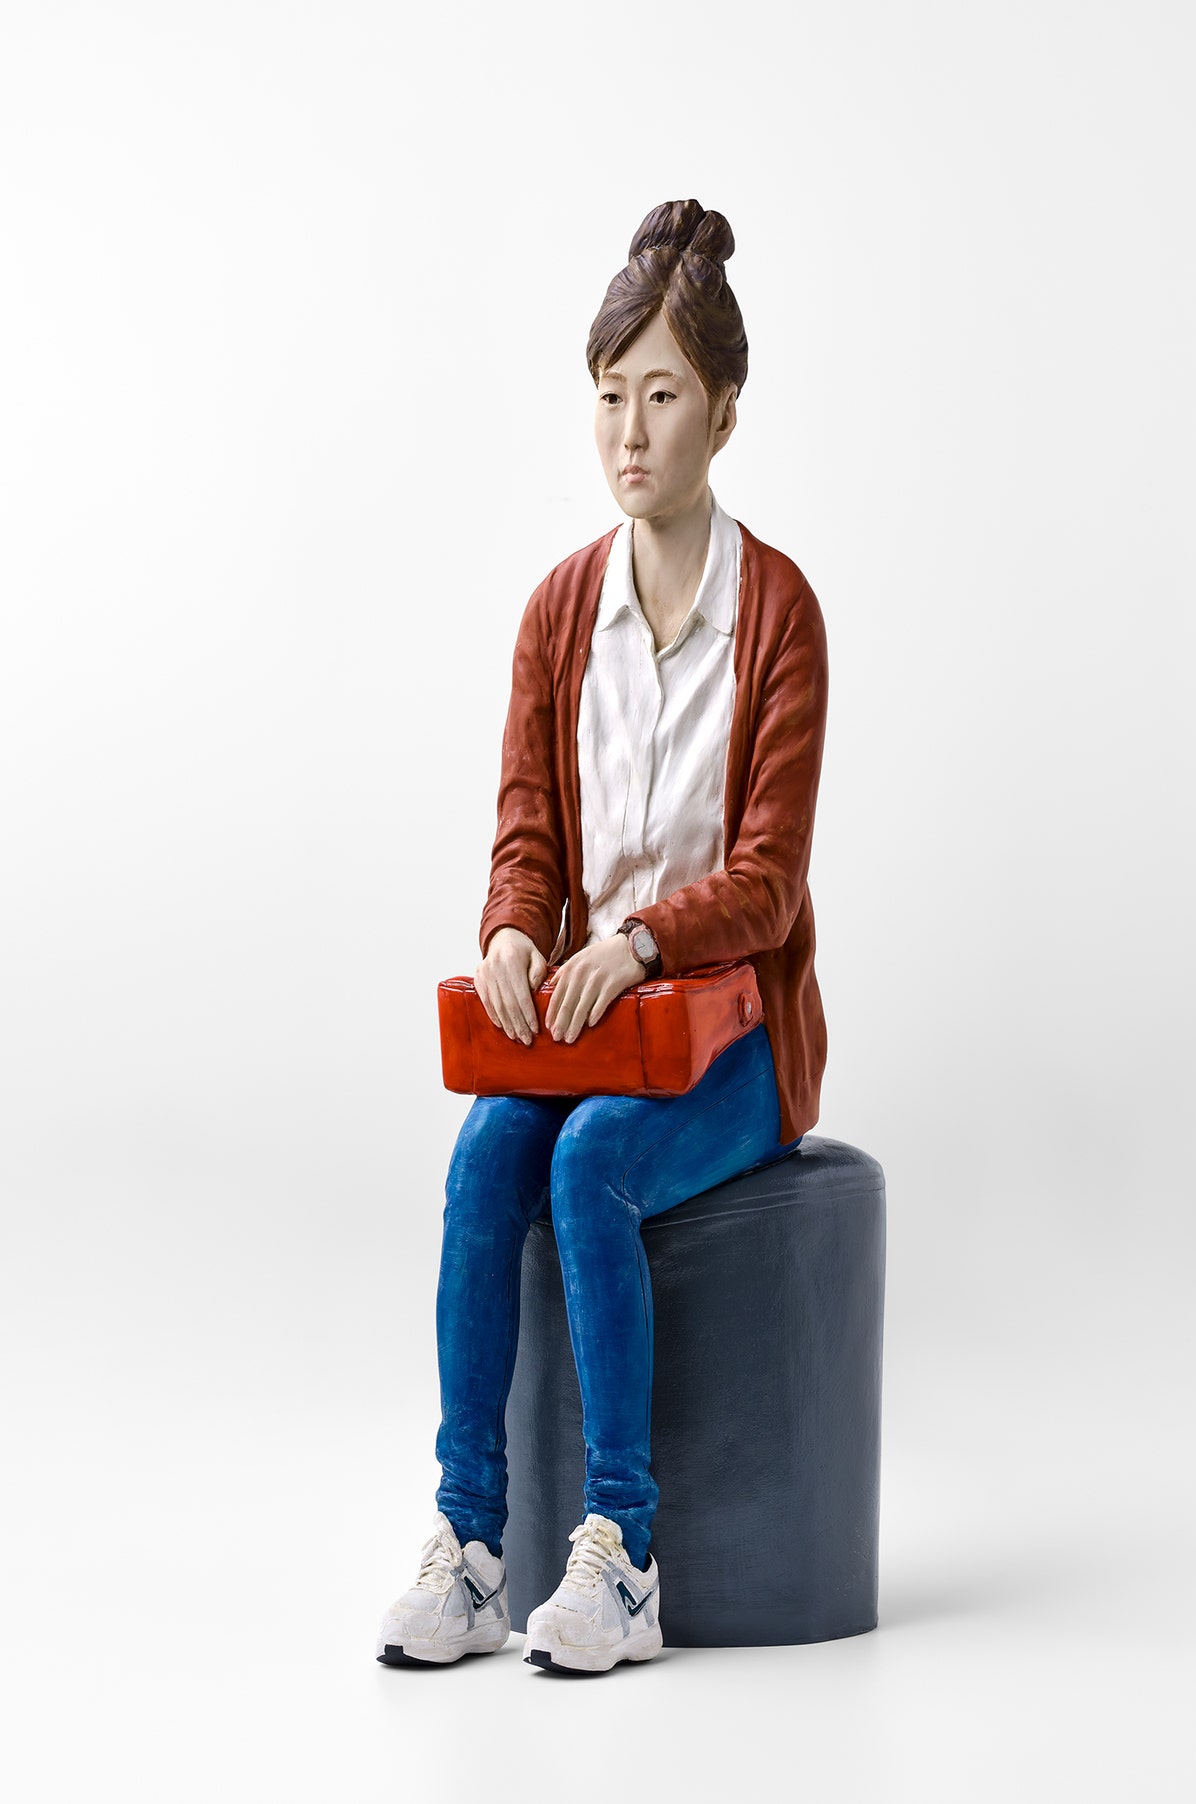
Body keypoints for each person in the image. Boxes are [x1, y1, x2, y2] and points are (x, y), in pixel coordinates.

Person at [376, 199, 829, 1676]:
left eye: (663, 396)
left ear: (725, 412)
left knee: (590, 1164)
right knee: (485, 1157)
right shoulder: (558, 613)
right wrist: (515, 930)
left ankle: (624, 1554)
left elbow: (766, 885)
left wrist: (635, 940)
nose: (630, 433)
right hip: (594, 1022)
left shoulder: (780, 616)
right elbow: (525, 839)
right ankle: (469, 1546)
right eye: (609, 395)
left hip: (729, 1036)